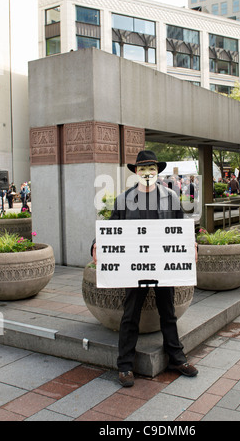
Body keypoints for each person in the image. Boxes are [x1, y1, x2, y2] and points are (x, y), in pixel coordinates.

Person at [91, 150, 198, 387]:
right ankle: (125, 365)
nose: (147, 173)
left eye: (151, 169)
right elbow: (112, 229)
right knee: (130, 315)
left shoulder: (170, 197)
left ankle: (176, 358)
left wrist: (193, 245)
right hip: (134, 266)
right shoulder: (124, 199)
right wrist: (96, 245)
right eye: (142, 169)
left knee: (168, 312)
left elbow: (181, 227)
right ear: (136, 172)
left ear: (157, 172)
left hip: (162, 265)